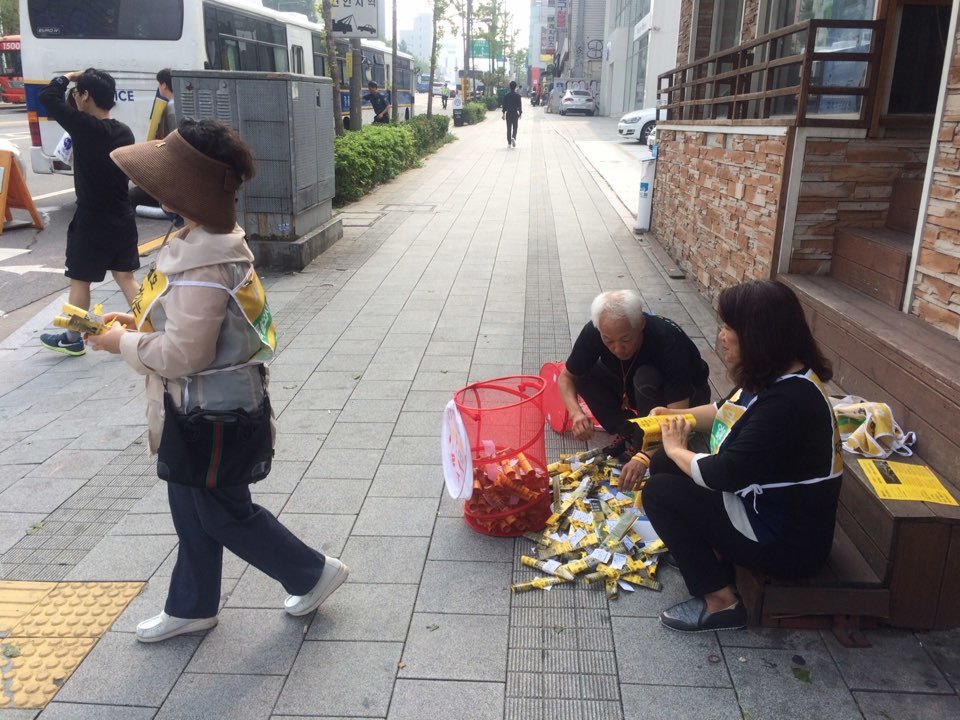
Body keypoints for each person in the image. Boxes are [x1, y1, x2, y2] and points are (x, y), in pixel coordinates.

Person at [88, 119, 349, 642]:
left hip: (211, 413)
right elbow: (183, 327)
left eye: (163, 181)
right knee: (191, 506)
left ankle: (311, 572)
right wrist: (134, 324)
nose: (154, 189)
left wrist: (122, 344)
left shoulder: (204, 265)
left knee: (223, 514)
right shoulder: (208, 241)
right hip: (210, 409)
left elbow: (184, 353)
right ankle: (192, 605)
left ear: (184, 191)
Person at [625, 280, 843, 633]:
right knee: (665, 465)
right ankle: (711, 554)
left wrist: (677, 447)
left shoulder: (789, 403)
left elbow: (720, 474)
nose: (721, 336)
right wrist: (675, 418)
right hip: (763, 509)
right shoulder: (776, 374)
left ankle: (721, 604)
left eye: (729, 327)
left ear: (759, 335)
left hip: (787, 543)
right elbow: (723, 409)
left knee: (660, 492)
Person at [38, 69, 140, 357]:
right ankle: (151, 325)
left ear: (86, 96)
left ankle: (74, 336)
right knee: (126, 277)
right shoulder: (124, 131)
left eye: (79, 93)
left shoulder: (84, 127)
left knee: (80, 280)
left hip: (93, 219)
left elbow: (47, 96)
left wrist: (68, 76)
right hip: (122, 216)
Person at [558, 290, 711, 455]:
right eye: (608, 341)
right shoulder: (595, 331)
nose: (617, 349)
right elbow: (566, 377)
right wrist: (576, 414)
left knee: (645, 376)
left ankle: (644, 439)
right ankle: (629, 430)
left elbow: (677, 415)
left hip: (686, 399)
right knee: (584, 374)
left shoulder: (668, 340)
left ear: (641, 323)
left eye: (626, 339)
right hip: (631, 386)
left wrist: (646, 456)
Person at [132, 68, 178, 218]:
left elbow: (172, 140)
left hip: (171, 168)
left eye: (159, 84)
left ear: (164, 85)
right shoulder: (178, 103)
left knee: (132, 197)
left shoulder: (171, 107)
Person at [501, 80, 522, 148]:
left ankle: (509, 143)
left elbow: (504, 105)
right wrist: (520, 113)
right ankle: (513, 137)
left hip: (509, 113)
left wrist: (503, 113)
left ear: (510, 87)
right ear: (515, 87)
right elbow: (519, 106)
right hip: (515, 113)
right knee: (515, 127)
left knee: (509, 128)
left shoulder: (506, 96)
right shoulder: (518, 96)